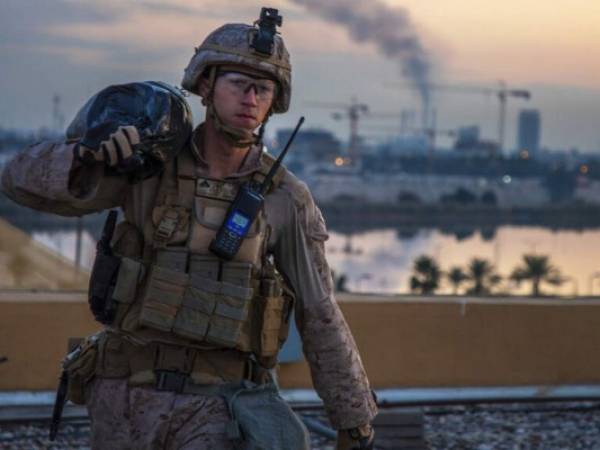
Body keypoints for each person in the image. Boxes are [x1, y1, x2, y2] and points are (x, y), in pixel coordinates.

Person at [2, 8, 377, 450]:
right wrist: (85, 158)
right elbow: (18, 183)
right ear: (205, 85)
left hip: (220, 406)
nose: (251, 98)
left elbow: (319, 310)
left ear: (275, 101)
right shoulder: (147, 165)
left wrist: (352, 416)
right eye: (239, 84)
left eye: (264, 88)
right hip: (126, 397)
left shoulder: (285, 199)